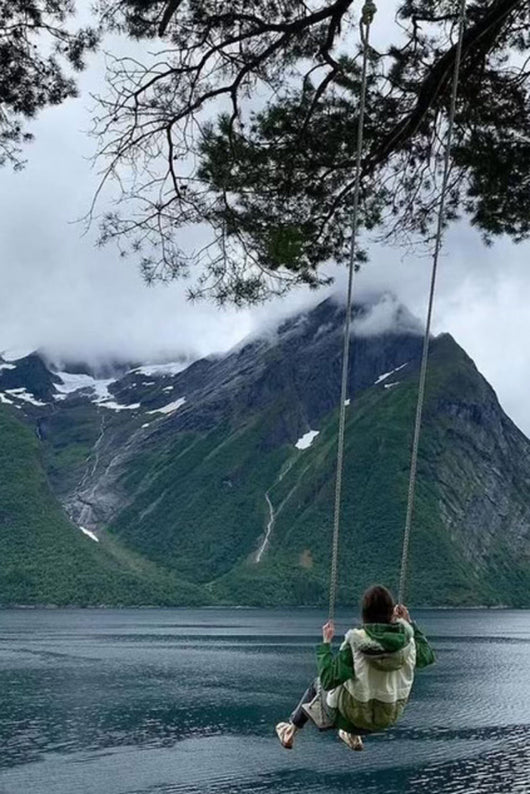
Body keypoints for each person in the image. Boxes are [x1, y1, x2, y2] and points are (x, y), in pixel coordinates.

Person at [275, 584, 435, 750]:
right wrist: (409, 623)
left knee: (318, 684)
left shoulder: (356, 643)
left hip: (350, 719)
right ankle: (351, 735)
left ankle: (290, 731)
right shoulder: (409, 642)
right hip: (387, 718)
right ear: (391, 612)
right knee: (365, 687)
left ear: (364, 614)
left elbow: (328, 680)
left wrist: (326, 644)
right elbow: (427, 657)